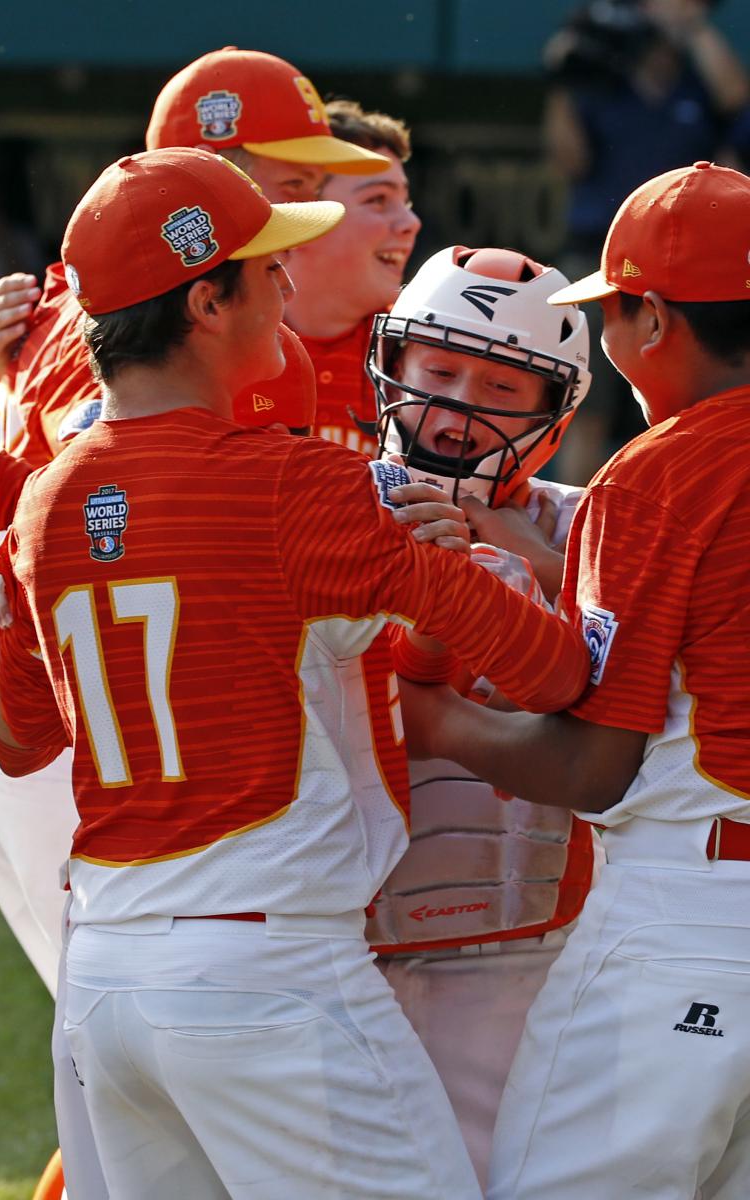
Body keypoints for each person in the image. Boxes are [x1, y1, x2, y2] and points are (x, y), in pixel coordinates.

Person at [0, 145, 592, 1200]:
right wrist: (479, 568)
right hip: (266, 966)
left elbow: (19, 739)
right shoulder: (304, 482)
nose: (287, 285)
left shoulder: (45, 498)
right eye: (267, 267)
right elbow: (545, 666)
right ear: (207, 303)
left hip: (106, 976)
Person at [400, 161, 750, 1199]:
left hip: (691, 905)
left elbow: (595, 765)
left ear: (651, 319)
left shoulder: (657, 470)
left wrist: (432, 718)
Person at [357, 243, 597, 1184]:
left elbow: (654, 668)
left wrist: (523, 557)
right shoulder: (316, 497)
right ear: (395, 365)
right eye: (442, 371)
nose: (460, 407)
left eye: (501, 386)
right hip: (334, 945)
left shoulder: (592, 526)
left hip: (518, 946)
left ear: (553, 415)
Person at [542, 0, 750, 480]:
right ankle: (582, 503)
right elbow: (568, 158)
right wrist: (564, 80)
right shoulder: (601, 73)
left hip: (694, 267)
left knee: (702, 395)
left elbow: (737, 99)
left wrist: (691, 27)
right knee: (589, 405)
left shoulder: (699, 78)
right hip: (608, 258)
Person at [284, 98, 421, 453]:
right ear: (301, 212)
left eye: (404, 202)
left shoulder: (423, 350)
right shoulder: (221, 344)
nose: (411, 223)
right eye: (378, 199)